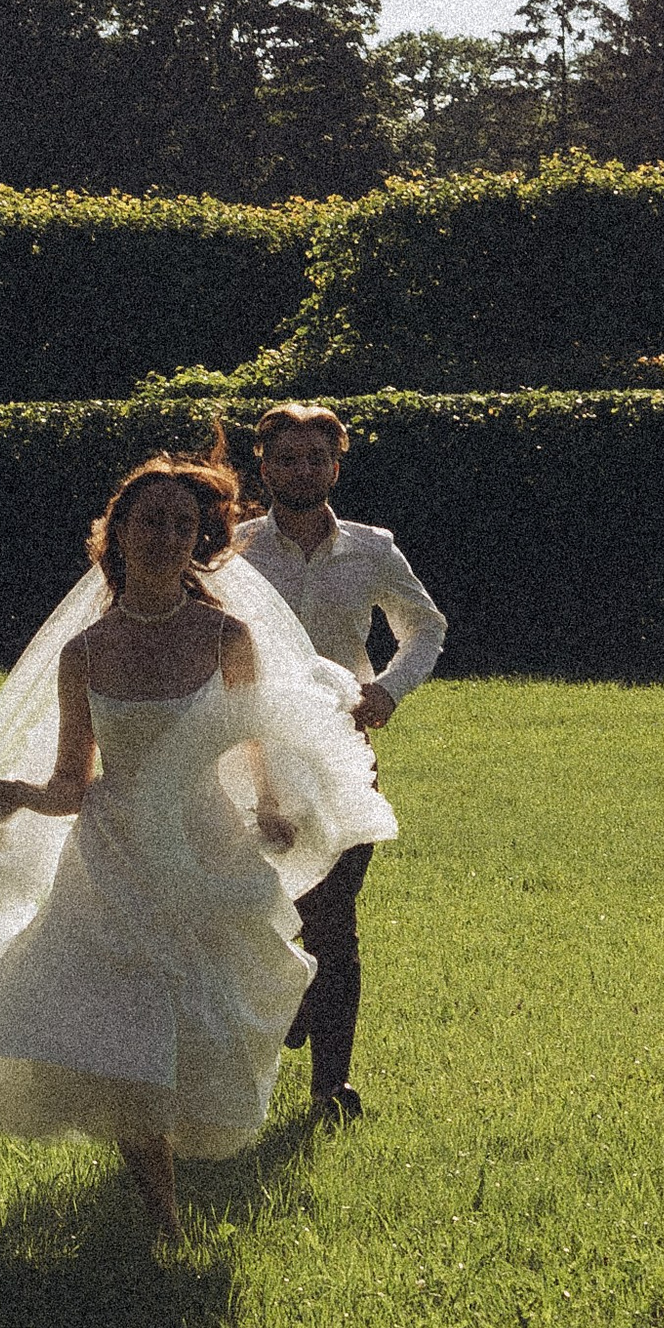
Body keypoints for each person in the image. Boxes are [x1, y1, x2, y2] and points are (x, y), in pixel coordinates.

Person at [0, 447, 395, 1244]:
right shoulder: (84, 654)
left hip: (204, 844)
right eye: (151, 522)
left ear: (201, 539)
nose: (167, 537)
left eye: (185, 524)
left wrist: (277, 809)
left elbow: (254, 743)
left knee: (207, 1017)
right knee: (120, 1022)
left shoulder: (227, 636)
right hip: (113, 855)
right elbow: (71, 785)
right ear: (117, 534)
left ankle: (178, 1169)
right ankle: (164, 1219)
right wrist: (8, 796)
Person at [231, 403, 447, 1124]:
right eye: (287, 458)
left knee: (334, 917)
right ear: (263, 467)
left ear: (336, 464)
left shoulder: (371, 548)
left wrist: (387, 689)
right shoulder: (232, 553)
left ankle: (332, 1087)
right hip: (249, 758)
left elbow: (426, 626)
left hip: (342, 756)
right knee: (266, 911)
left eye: (315, 458)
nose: (302, 470)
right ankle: (289, 998)